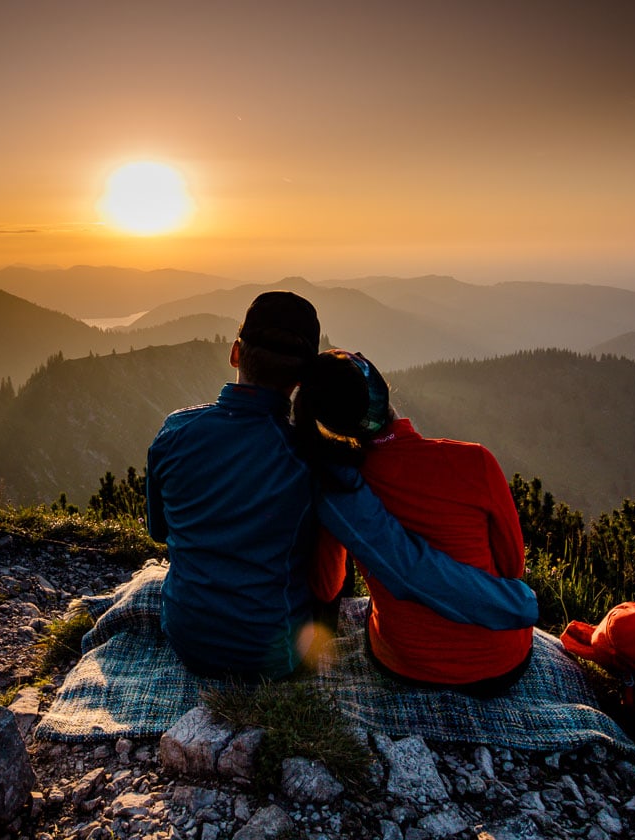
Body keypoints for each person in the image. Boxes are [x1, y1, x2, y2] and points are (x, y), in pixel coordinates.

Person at [146, 291, 537, 682]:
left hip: (185, 638)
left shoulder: (174, 431)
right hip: (271, 658)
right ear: (301, 380)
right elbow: (337, 581)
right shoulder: (312, 464)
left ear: (235, 353)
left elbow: (158, 531)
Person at [295, 349, 533, 697]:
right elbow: (513, 568)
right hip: (502, 661)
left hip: (405, 664)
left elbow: (328, 586)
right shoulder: (475, 462)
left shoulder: (339, 487)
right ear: (380, 389)